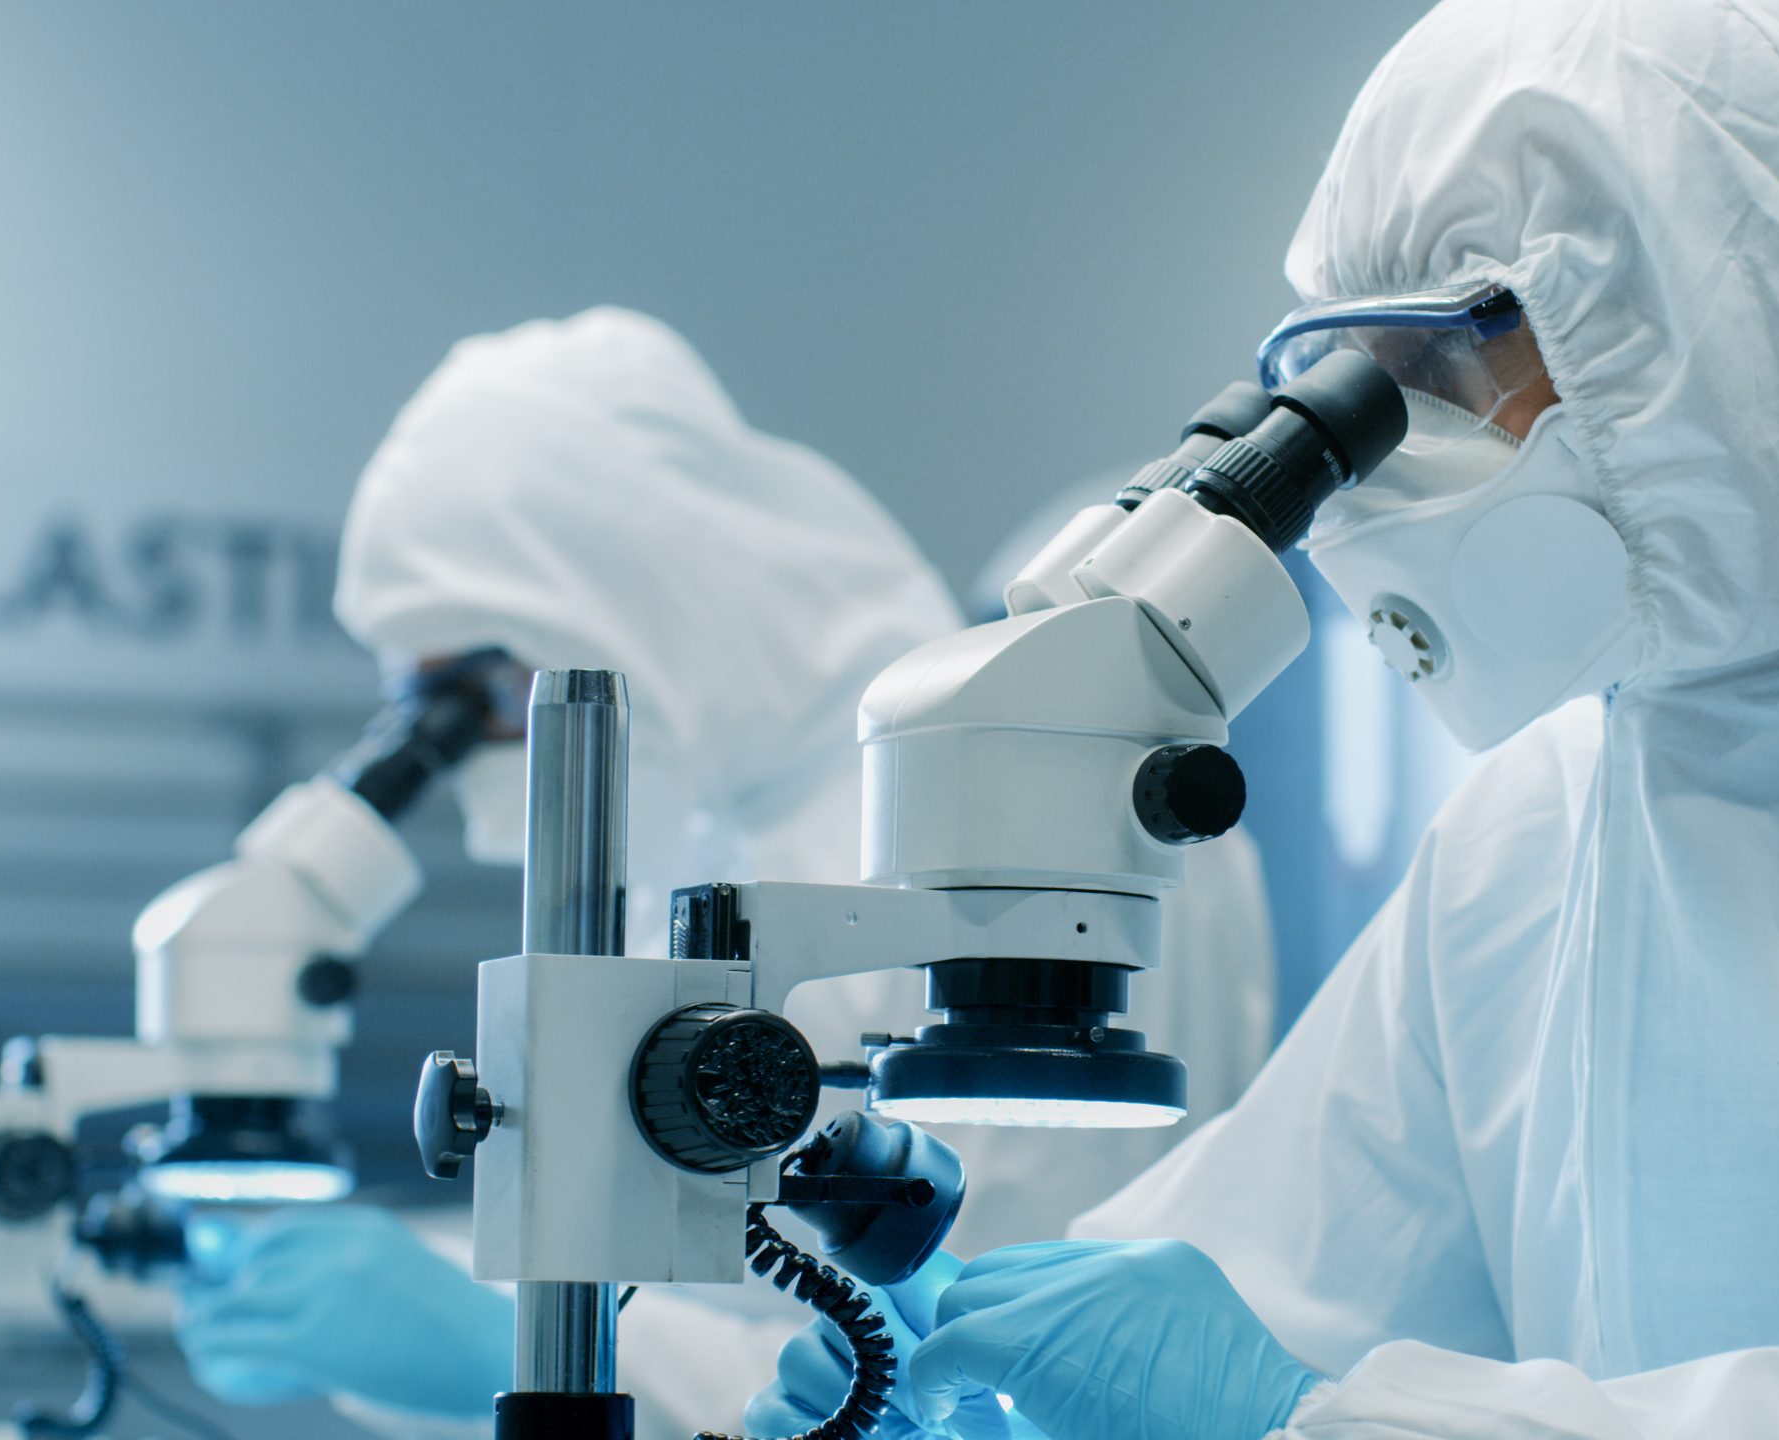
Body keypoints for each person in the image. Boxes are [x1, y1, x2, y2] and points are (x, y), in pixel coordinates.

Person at [748, 1, 1779, 1436]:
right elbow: (1251, 1285)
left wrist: (1294, 1419)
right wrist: (948, 1361)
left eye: (1447, 381)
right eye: (1362, 403)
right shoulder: (1547, 815)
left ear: (1718, 321)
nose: (1398, 483)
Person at [173, 306, 1277, 1437]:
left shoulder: (1014, 796)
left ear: (640, 598)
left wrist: (479, 1335)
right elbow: (719, 1272)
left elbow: (983, 1355)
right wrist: (436, 1274)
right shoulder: (726, 849)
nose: (487, 753)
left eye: (489, 689)